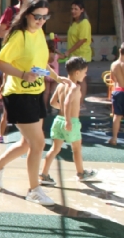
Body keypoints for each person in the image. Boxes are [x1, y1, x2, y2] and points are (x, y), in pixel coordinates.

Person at [0, 0, 70, 206]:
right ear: (27, 15)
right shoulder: (18, 36)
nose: (41, 21)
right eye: (37, 17)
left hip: (35, 93)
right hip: (18, 95)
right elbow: (1, 62)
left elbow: (41, 62)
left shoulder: (39, 33)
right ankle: (34, 189)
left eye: (45, 17)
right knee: (38, 142)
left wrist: (56, 76)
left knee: (27, 143)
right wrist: (22, 75)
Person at [39, 57, 98, 185]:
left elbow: (53, 102)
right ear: (77, 72)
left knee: (55, 149)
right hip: (71, 122)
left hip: (58, 120)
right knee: (76, 149)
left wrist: (64, 114)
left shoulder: (61, 85)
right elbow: (66, 102)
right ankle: (81, 173)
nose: (85, 74)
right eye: (84, 72)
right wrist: (68, 119)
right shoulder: (75, 87)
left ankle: (44, 174)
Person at [0, 0, 35, 107]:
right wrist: (16, 35)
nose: (28, 2)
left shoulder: (33, 14)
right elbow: (0, 32)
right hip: (11, 52)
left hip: (26, 53)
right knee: (8, 79)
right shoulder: (11, 11)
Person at [65, 0, 92, 107]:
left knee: (81, 79)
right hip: (73, 55)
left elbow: (82, 40)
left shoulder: (84, 23)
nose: (73, 11)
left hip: (82, 55)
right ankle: (73, 100)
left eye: (76, 9)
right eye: (72, 9)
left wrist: (68, 52)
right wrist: (59, 39)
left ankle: (80, 103)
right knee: (72, 78)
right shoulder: (73, 23)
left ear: (82, 10)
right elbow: (72, 38)